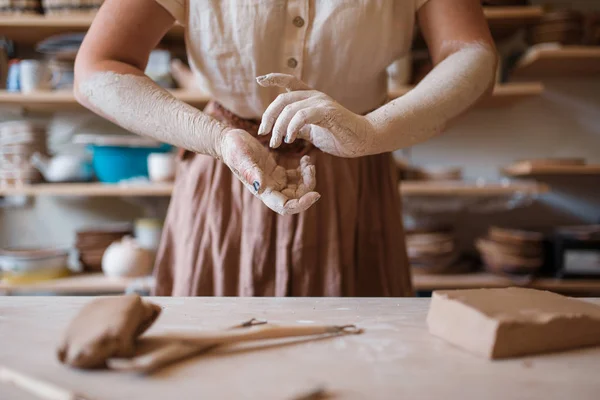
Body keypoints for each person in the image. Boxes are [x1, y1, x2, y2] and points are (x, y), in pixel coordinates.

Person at [74, 0, 497, 297]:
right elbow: (99, 66)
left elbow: (471, 54)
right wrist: (216, 138)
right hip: (227, 171)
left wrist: (371, 132)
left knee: (351, 356)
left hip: (352, 171)